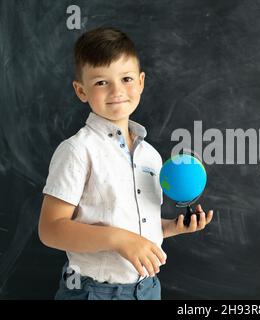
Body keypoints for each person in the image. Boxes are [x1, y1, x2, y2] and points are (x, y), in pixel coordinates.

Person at [38, 27, 213, 300]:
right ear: (81, 90)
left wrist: (170, 227)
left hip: (147, 289)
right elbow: (50, 230)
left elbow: (136, 227)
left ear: (141, 82)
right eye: (100, 82)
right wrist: (118, 239)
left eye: (126, 78)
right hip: (93, 292)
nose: (117, 91)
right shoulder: (77, 150)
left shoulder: (150, 157)